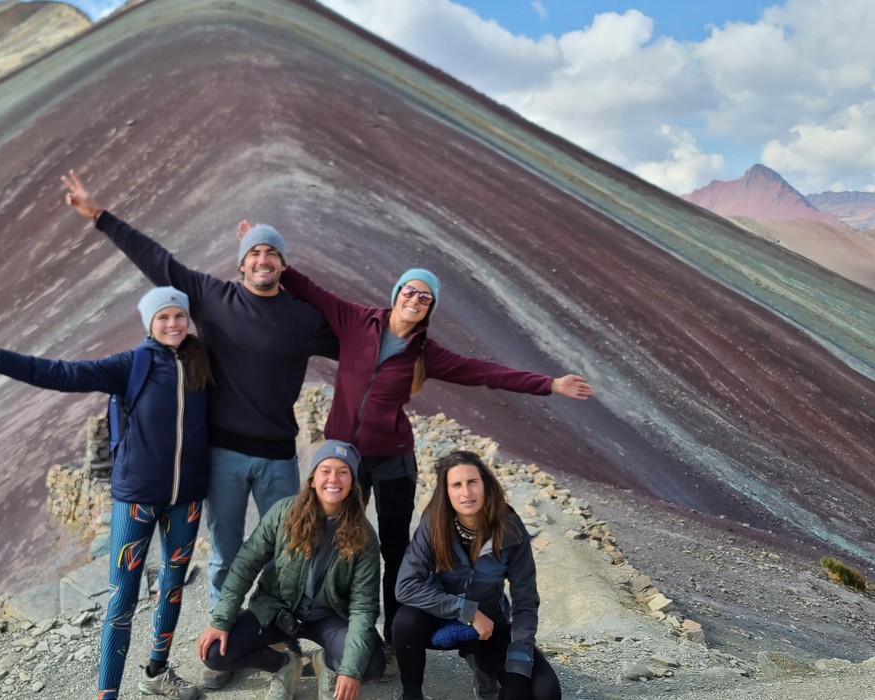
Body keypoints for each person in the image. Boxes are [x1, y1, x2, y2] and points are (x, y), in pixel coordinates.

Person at [264, 226, 592, 659]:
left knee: (397, 548)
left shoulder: (425, 354)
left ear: (429, 308)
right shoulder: (356, 319)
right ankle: (333, 628)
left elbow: (484, 372)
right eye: (411, 291)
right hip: (345, 457)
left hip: (394, 461)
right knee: (333, 538)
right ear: (397, 291)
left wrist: (549, 384)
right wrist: (266, 250)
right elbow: (308, 288)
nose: (416, 300)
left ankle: (396, 639)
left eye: (425, 298)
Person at [62, 175, 336, 687]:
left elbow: (357, 338)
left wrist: (411, 340)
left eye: (271, 254)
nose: (261, 261)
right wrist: (100, 216)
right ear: (239, 264)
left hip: (279, 456)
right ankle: (225, 644)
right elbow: (157, 261)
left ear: (283, 264)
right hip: (225, 457)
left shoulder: (303, 319)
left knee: (285, 552)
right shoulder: (212, 298)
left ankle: (276, 635)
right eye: (253, 254)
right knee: (227, 555)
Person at [0, 286, 210, 700]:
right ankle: (107, 696)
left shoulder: (201, 362)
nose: (173, 323)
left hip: (187, 498)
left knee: (173, 588)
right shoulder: (133, 363)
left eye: (179, 316)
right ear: (150, 324)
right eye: (163, 317)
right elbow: (65, 374)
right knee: (122, 600)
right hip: (136, 498)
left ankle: (157, 673)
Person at [196, 440, 386, 700]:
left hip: (329, 617)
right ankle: (284, 666)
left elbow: (364, 606)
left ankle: (327, 665)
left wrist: (350, 670)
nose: (334, 478)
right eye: (326, 470)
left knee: (371, 666)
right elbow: (246, 564)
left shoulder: (364, 535)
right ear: (312, 478)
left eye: (343, 472)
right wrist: (222, 619)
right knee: (215, 653)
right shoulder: (284, 513)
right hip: (278, 609)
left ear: (353, 482)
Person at [394, 450, 561, 700]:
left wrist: (518, 664)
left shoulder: (510, 529)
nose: (466, 492)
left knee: (544, 692)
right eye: (456, 485)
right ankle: (412, 693)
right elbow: (405, 587)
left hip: (490, 625)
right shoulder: (433, 523)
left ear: (486, 484)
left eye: (472, 482)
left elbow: (525, 602)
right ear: (446, 491)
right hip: (437, 618)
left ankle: (483, 664)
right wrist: (466, 610)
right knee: (405, 621)